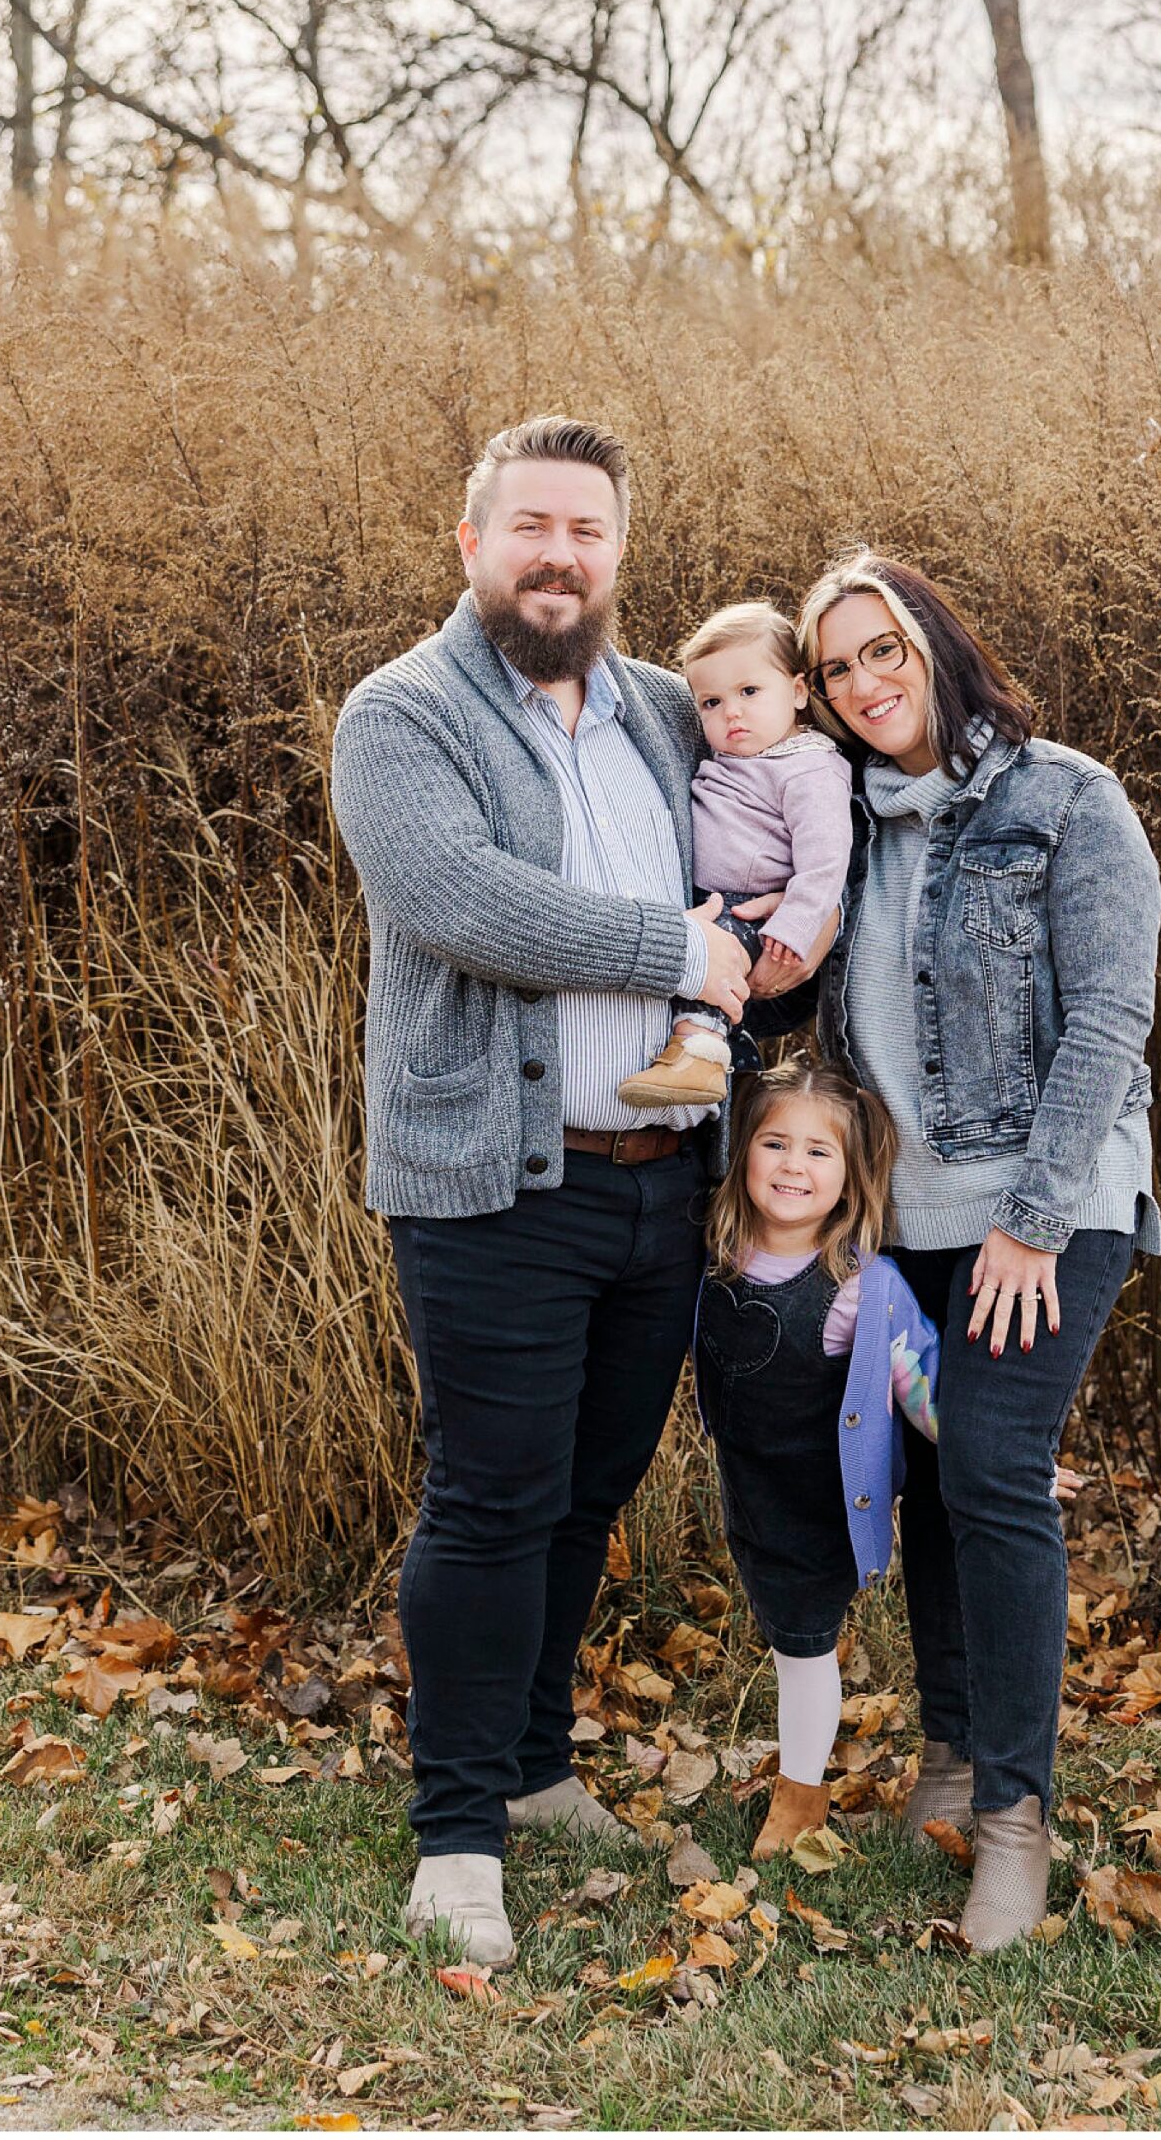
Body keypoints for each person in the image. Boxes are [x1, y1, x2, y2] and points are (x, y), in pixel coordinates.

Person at [328, 414, 836, 1967]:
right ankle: (457, 1840)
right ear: (469, 542)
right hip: (493, 1177)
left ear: (620, 554)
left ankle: (536, 1769)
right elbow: (458, 901)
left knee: (583, 1495)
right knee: (488, 1499)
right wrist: (680, 953)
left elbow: (791, 820)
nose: (561, 555)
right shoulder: (401, 715)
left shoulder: (671, 710)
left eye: (588, 532)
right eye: (531, 526)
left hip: (665, 1181)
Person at [796, 548, 1161, 1952]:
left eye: (882, 648)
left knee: (997, 1466)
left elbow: (1110, 1022)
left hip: (1046, 1204)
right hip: (904, 1219)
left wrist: (1033, 1219)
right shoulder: (844, 825)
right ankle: (948, 1755)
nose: (863, 683)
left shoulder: (1068, 798)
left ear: (937, 644)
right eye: (836, 668)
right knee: (935, 1479)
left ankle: (1013, 1818)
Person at [693, 1061, 939, 1857]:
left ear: (852, 1175)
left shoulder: (863, 1288)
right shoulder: (713, 1250)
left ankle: (801, 1798)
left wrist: (1008, 1463)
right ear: (742, 1152)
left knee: (802, 1647)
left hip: (818, 1505)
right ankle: (796, 1776)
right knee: (780, 1634)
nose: (793, 1167)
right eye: (774, 1143)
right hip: (748, 1493)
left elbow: (927, 1393)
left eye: (818, 1153)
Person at [618, 603, 853, 1110]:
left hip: (749, 907)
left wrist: (795, 926)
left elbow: (825, 861)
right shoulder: (738, 755)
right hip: (705, 896)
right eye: (711, 702)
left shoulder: (809, 768)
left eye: (749, 692)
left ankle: (698, 1055)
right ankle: (732, 1064)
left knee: (709, 972)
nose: (732, 713)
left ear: (796, 691)